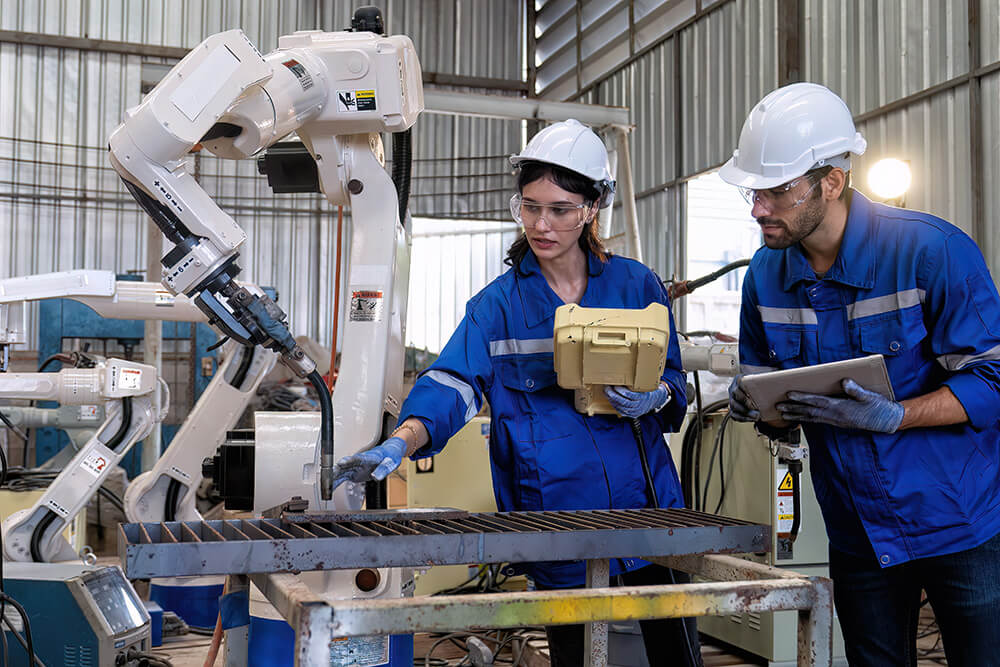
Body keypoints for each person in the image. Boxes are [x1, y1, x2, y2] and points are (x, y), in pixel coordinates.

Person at [333, 119, 703, 666]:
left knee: (677, 654)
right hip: (556, 515)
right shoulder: (497, 306)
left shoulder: (637, 287)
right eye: (530, 207)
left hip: (646, 506)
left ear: (593, 208)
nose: (541, 223)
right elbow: (453, 383)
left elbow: (673, 380)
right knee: (577, 656)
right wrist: (403, 441)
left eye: (559, 209)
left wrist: (657, 398)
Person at [722, 82, 1000, 666]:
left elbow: (993, 380)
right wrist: (755, 407)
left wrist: (898, 416)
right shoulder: (765, 277)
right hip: (856, 530)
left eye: (777, 191)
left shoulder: (931, 252)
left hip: (960, 522)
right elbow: (767, 385)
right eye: (754, 190)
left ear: (831, 181)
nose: (758, 208)